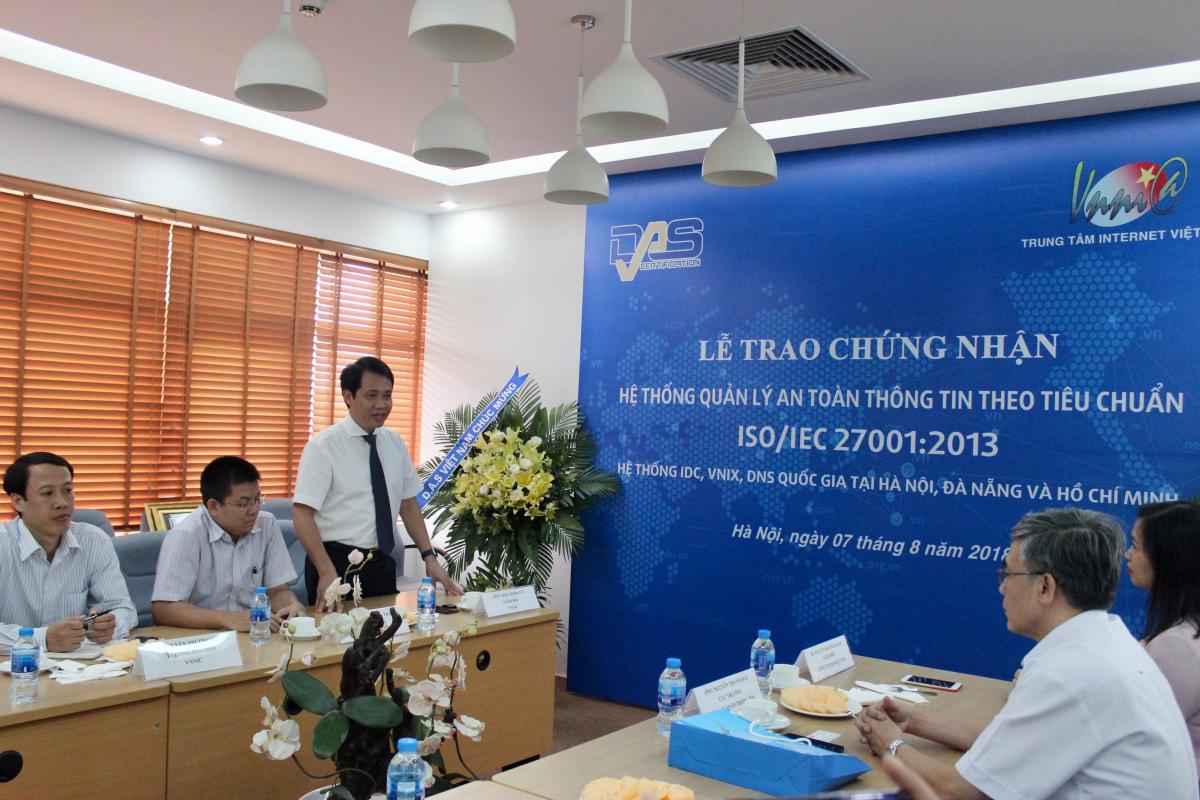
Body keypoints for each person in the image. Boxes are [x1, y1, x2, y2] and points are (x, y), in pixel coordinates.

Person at [855, 507, 1198, 800]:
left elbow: (959, 792)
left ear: (1045, 586)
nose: (1002, 587)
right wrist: (915, 721)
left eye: (1008, 572)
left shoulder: (1071, 673)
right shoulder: (1104, 641)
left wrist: (892, 745)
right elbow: (1011, 739)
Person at [294, 357, 459, 610]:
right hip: (335, 562)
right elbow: (302, 514)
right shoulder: (323, 446)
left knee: (388, 631)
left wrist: (429, 557)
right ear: (348, 396)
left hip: (381, 561)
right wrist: (326, 571)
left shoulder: (394, 443)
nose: (382, 404)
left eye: (387, 395)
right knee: (337, 634)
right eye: (371, 395)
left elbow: (408, 505)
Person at [0, 452, 136, 653]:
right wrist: (43, 638)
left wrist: (111, 626)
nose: (62, 502)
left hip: (77, 664)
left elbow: (124, 607)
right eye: (47, 493)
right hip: (13, 666)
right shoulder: (3, 545)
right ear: (18, 501)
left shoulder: (93, 540)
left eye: (68, 490)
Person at [151, 456, 306, 631]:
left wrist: (291, 606)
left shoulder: (267, 525)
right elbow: (163, 609)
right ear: (214, 507)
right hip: (201, 636)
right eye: (243, 504)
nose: (254, 510)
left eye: (257, 500)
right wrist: (229, 619)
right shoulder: (186, 535)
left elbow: (277, 591)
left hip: (253, 633)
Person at [1126, 499, 1200, 765]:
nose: (1127, 555)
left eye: (1135, 546)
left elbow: (1135, 733)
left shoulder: (1178, 646)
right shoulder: (1184, 632)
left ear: (1168, 558)